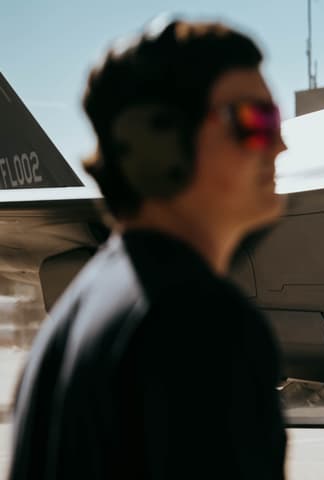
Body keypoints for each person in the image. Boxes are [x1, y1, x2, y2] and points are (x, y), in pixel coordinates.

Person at [9, 20, 287, 479]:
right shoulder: (201, 323)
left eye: (274, 119)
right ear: (160, 142)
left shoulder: (65, 329)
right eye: (254, 122)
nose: (279, 144)